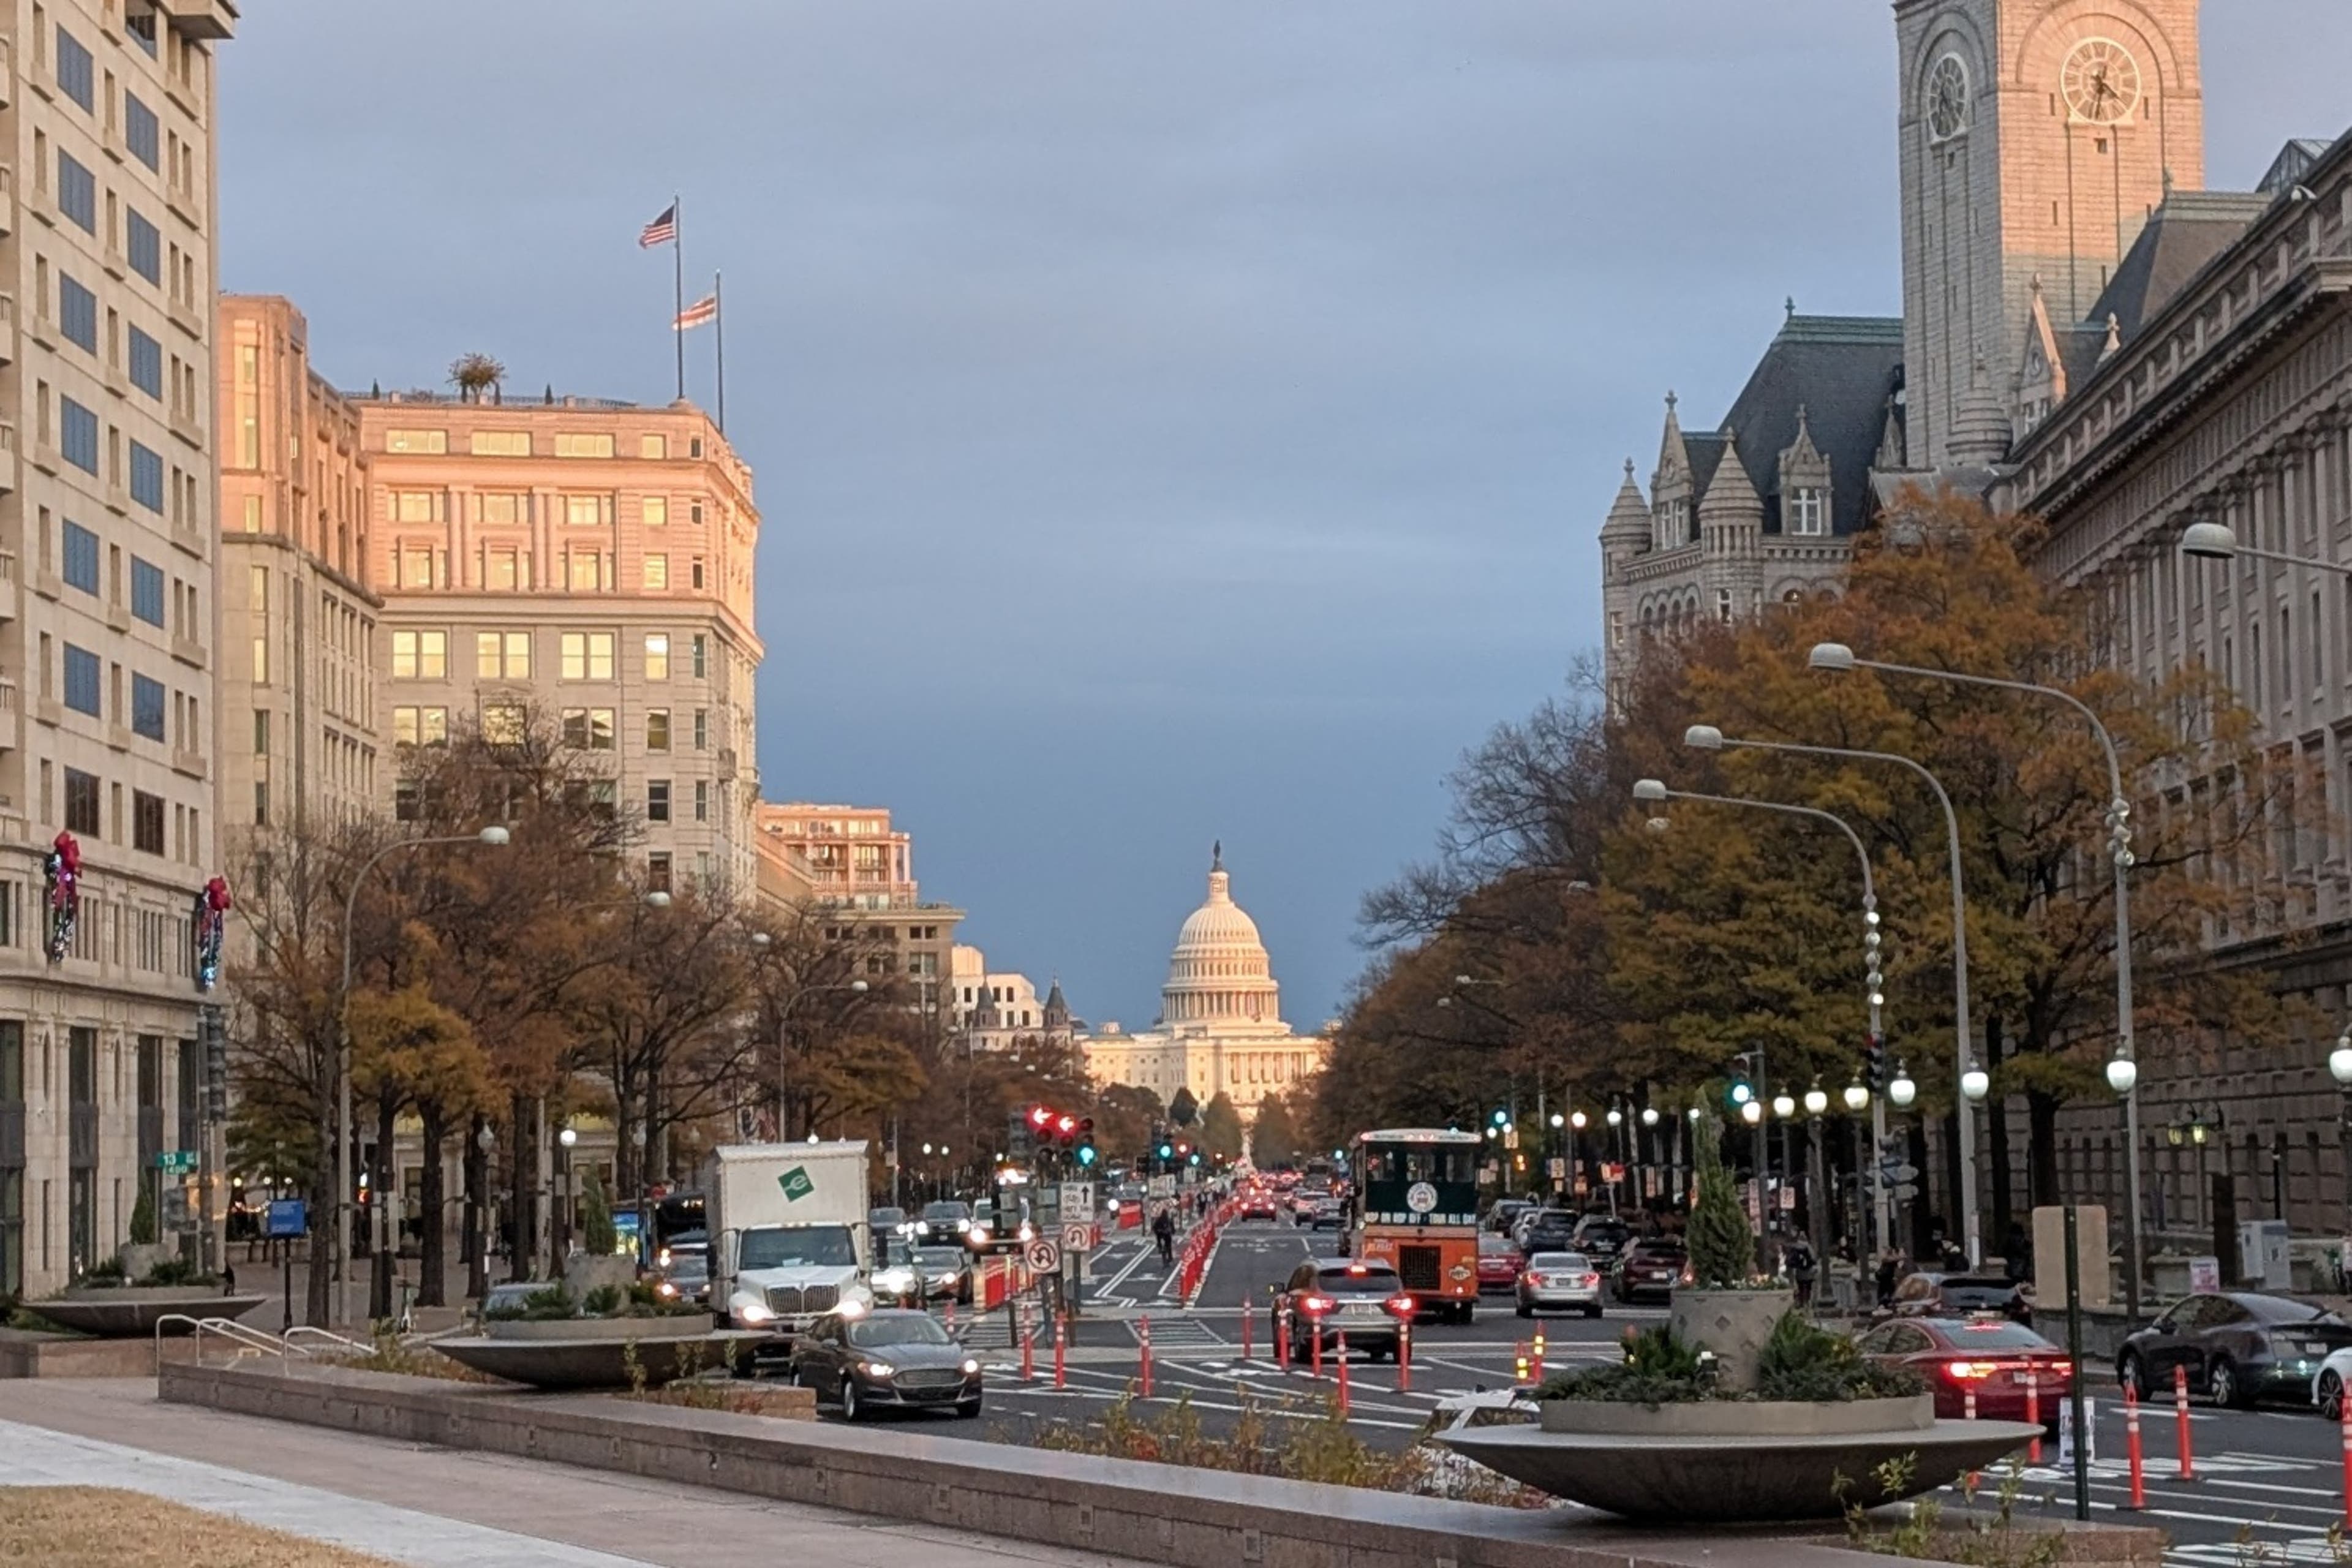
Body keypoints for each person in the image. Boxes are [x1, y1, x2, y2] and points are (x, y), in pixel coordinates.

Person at [1151, 1204, 1176, 1270]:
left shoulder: (1168, 1220)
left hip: (1166, 1236)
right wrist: (1160, 1231)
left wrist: (1171, 1231)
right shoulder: (1160, 1220)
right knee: (1165, 1249)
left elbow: (1173, 1229)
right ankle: (1166, 1260)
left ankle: (1169, 1258)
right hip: (1162, 1237)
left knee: (1167, 1248)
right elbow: (1154, 1228)